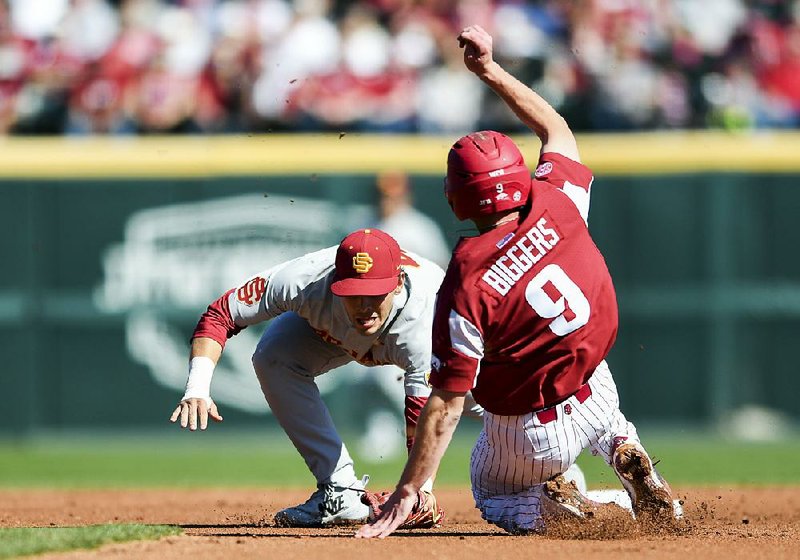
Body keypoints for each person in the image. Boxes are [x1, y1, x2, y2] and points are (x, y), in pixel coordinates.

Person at [356, 25, 677, 538]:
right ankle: (624, 452)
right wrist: (488, 70)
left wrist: (410, 490)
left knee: (493, 493)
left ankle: (577, 508)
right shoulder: (557, 199)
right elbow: (557, 132)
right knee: (603, 409)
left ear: (456, 197)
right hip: (596, 387)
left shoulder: (467, 277)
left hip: (527, 433)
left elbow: (447, 401)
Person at [169, 228, 452, 527]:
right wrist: (197, 387)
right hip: (334, 331)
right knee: (273, 357)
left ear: (398, 283)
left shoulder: (428, 317)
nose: (365, 305)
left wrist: (417, 493)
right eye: (354, 293)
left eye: (375, 292)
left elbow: (427, 414)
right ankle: (340, 490)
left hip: (435, 342)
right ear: (335, 282)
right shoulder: (304, 280)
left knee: (479, 406)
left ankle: (505, 489)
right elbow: (220, 314)